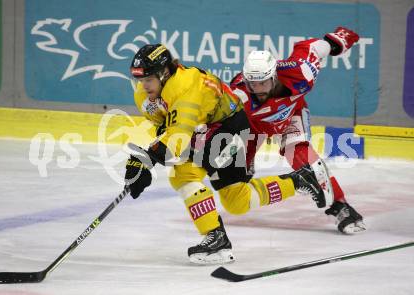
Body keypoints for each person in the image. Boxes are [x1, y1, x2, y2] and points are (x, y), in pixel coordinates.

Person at [123, 44, 329, 265]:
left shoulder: (185, 88)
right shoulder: (146, 94)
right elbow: (166, 128)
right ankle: (299, 180)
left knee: (183, 173)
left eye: (149, 79)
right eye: (140, 80)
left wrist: (146, 159)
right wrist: (146, 159)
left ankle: (216, 238)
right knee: (237, 201)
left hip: (230, 127)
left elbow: (177, 138)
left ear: (164, 73)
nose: (144, 85)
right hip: (208, 129)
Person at [229, 27, 366, 234]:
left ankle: (341, 206)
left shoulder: (300, 72)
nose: (257, 89)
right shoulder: (238, 96)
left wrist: (336, 41)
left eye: (263, 82)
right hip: (253, 127)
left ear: (274, 76)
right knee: (235, 176)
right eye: (252, 83)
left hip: (291, 115)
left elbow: (314, 48)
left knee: (304, 158)